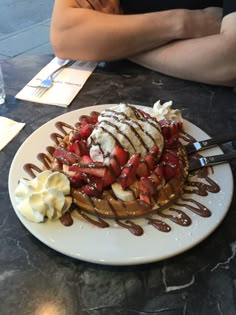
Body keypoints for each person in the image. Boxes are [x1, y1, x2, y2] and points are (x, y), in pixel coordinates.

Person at [50, 1, 236, 87]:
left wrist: (110, 42)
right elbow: (65, 37)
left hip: (208, 108)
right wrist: (184, 22)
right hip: (116, 93)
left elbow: (228, 59)